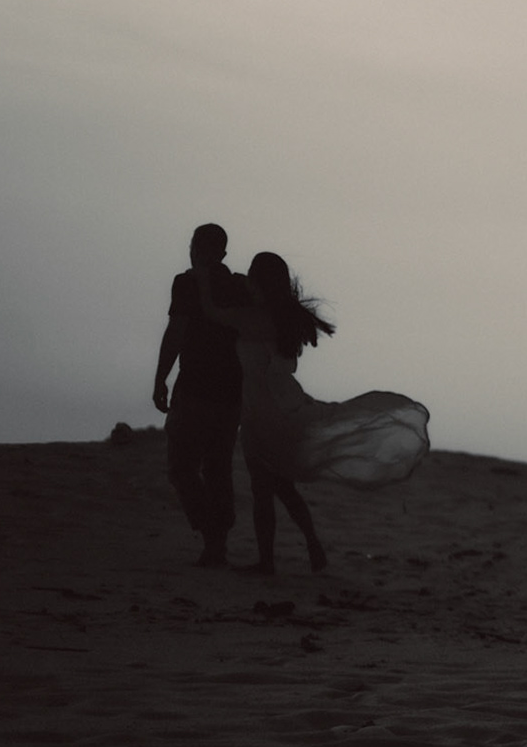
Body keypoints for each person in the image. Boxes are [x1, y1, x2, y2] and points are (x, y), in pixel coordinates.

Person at [193, 251, 429, 574]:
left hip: (263, 414)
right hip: (285, 405)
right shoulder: (283, 318)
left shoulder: (254, 318)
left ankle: (268, 561)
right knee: (282, 488)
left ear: (260, 281)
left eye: (250, 274)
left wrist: (203, 275)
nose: (246, 278)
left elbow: (212, 312)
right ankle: (312, 546)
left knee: (264, 490)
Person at [153, 224, 249, 566]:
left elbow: (176, 331)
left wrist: (160, 378)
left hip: (196, 388)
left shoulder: (187, 283)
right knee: (217, 468)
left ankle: (212, 535)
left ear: (196, 248)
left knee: (182, 467)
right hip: (231, 392)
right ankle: (217, 541)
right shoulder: (240, 286)